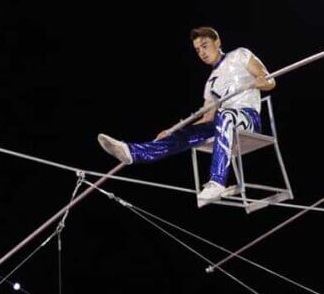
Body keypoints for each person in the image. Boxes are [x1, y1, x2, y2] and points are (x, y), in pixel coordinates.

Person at [98, 27, 276, 205]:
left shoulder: (240, 55)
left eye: (205, 46)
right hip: (223, 122)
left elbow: (270, 80)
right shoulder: (211, 82)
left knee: (225, 115)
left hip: (248, 118)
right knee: (185, 134)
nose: (202, 53)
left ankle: (217, 182)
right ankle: (133, 152)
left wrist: (262, 81)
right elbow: (207, 118)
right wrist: (172, 131)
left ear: (217, 42)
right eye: (198, 50)